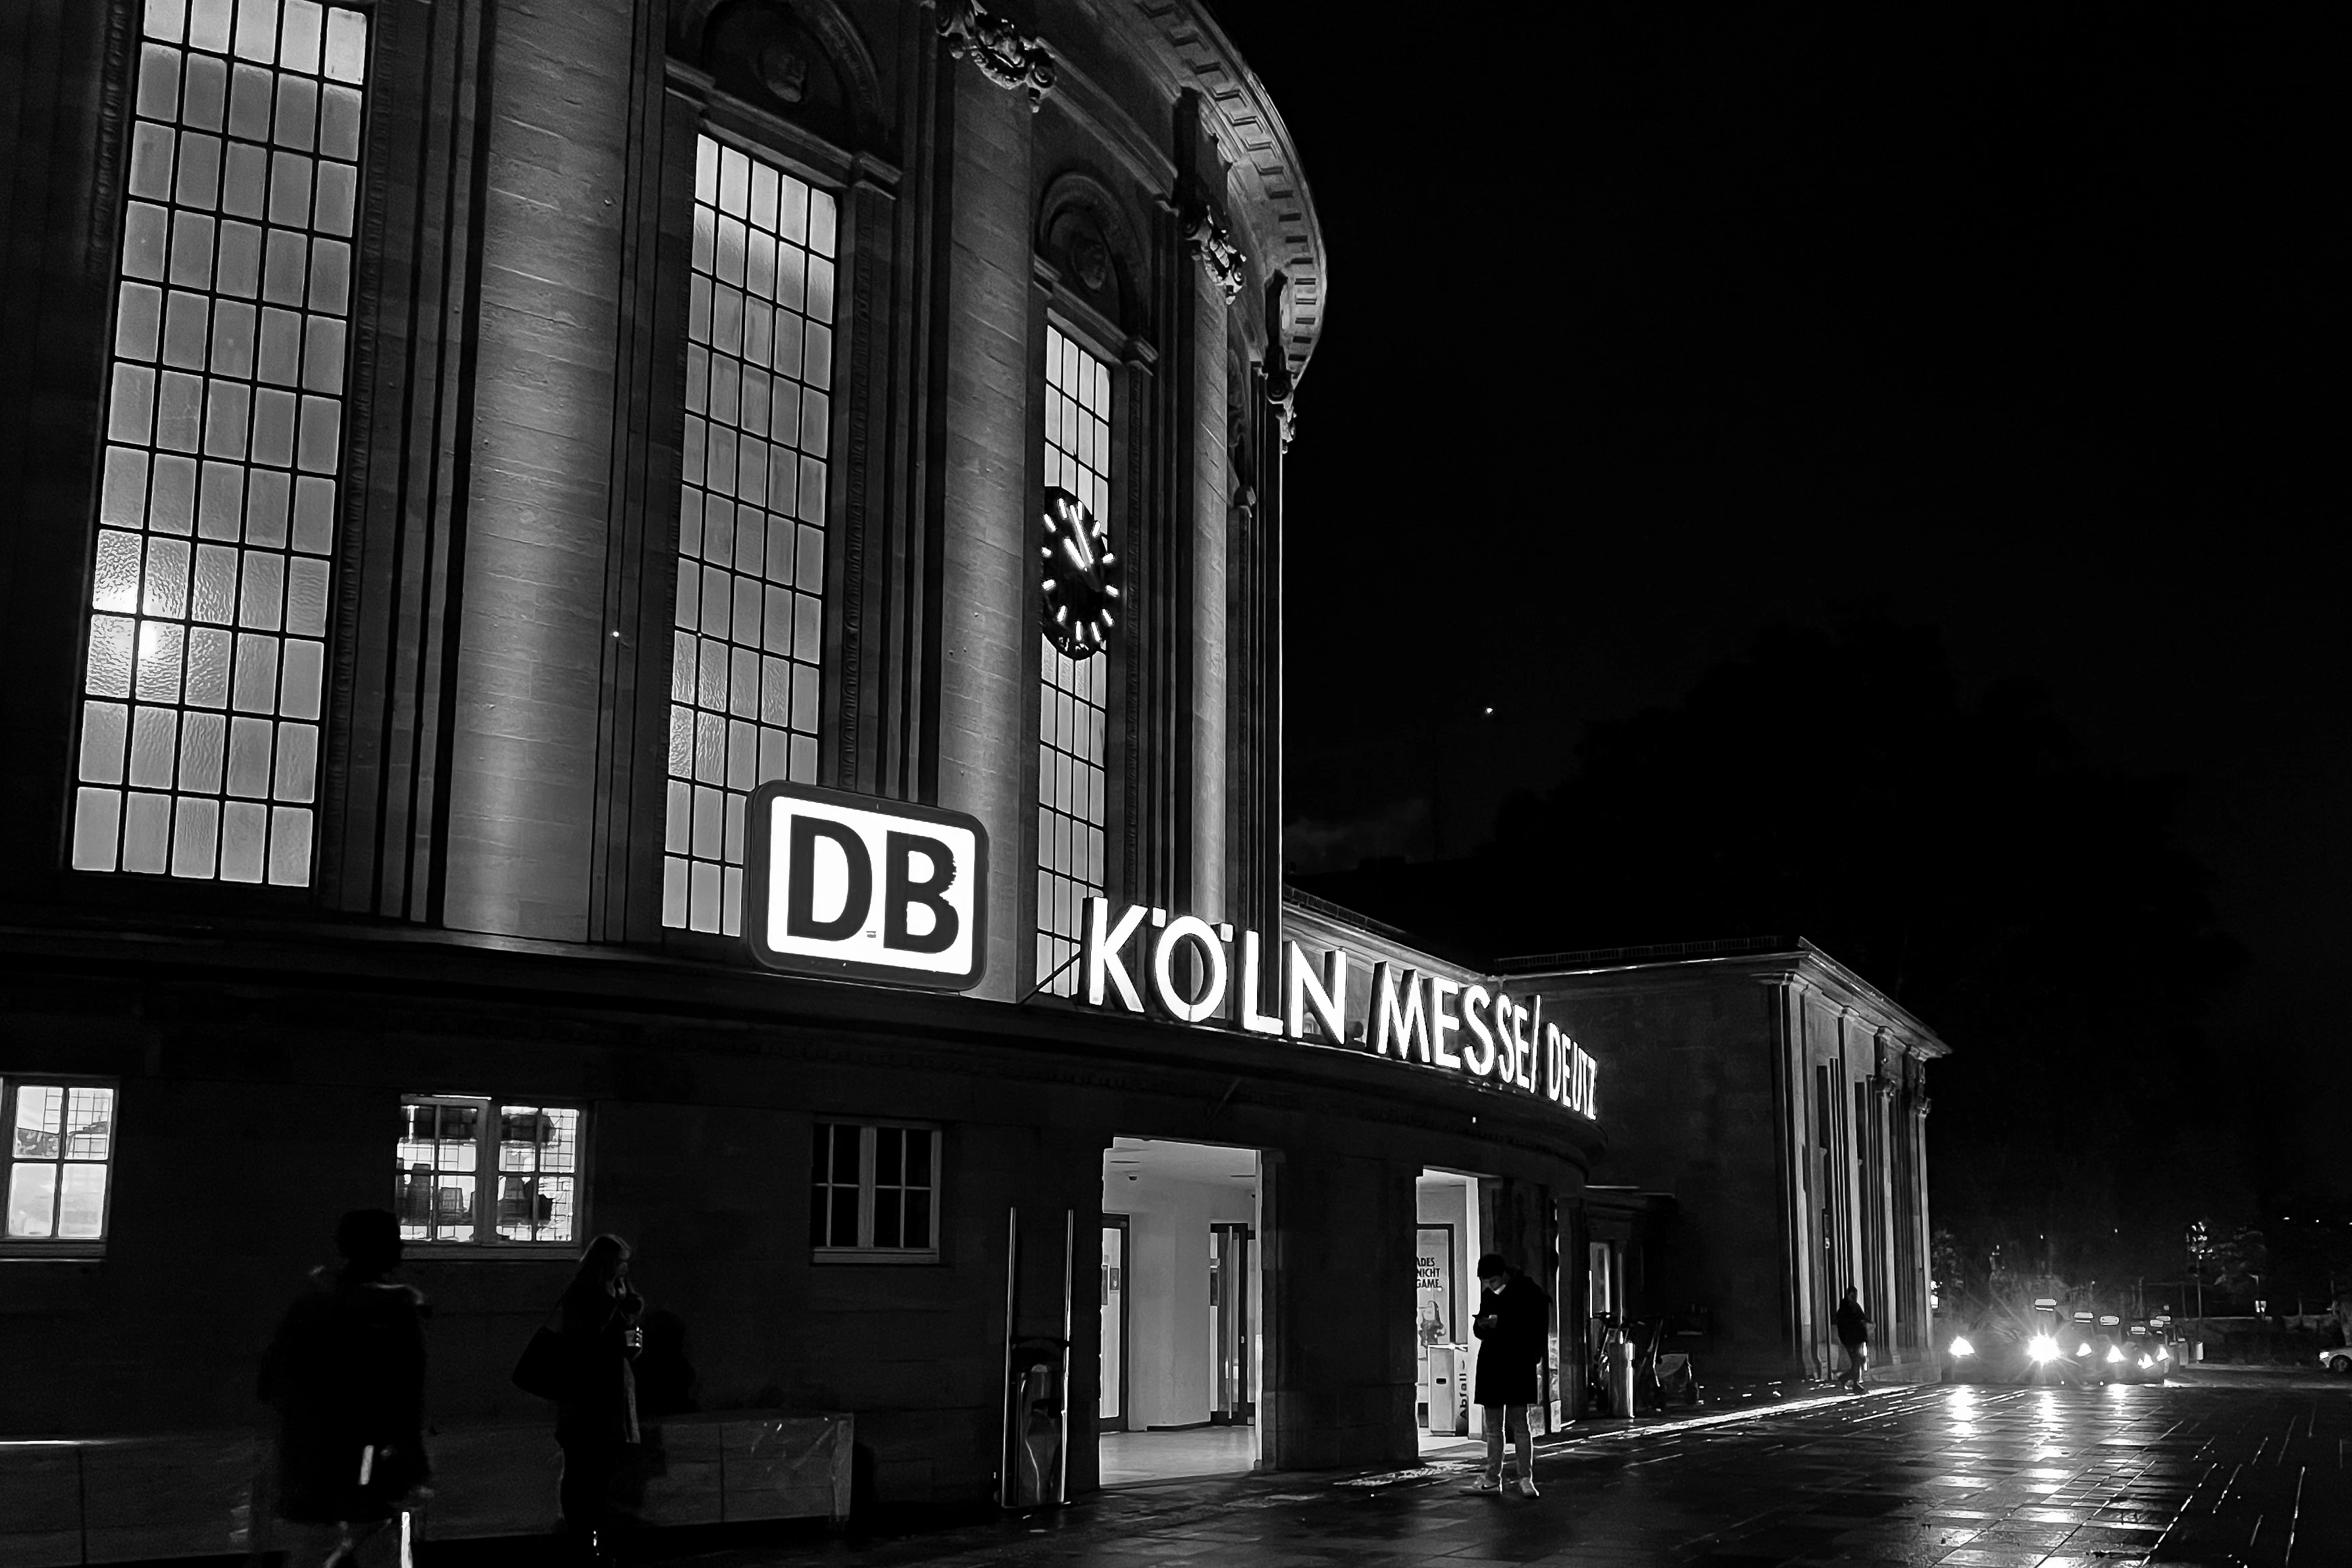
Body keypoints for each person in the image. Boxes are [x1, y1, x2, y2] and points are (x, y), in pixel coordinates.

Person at [258, 1208, 430, 1568]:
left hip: (316, 1449)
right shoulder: (396, 1310)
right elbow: (404, 1392)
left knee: (319, 1541)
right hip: (371, 1448)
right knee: (380, 1537)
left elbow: (272, 1376)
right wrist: (410, 1455)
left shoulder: (312, 1302)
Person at [551, 1234, 645, 1564]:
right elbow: (589, 1341)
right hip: (587, 1398)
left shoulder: (619, 1293)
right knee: (582, 1472)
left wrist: (633, 1331)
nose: (626, 1267)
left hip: (607, 1398)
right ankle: (583, 1541)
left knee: (597, 1473)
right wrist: (623, 1315)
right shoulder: (585, 1295)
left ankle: (592, 1540)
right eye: (621, 1261)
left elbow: (630, 1346)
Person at [1464, 1253, 1549, 1499]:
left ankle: (1525, 1477)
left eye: (1492, 1280)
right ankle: (1493, 1476)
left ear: (1503, 1275)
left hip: (1515, 1364)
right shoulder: (1489, 1296)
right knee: (1494, 1427)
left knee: (1520, 1424)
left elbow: (1529, 1327)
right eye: (1487, 1282)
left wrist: (1499, 1324)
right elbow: (1479, 1328)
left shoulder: (1525, 1292)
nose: (1490, 1285)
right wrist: (1481, 1325)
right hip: (1492, 1363)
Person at [1834, 1285, 1870, 1391]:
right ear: (1849, 1295)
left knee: (1858, 1361)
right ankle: (1852, 1382)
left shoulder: (1855, 1306)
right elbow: (1844, 1326)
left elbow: (1862, 1319)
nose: (1854, 1297)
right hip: (1851, 1341)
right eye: (1853, 1295)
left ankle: (1847, 1380)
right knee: (1857, 1361)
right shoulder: (1845, 1309)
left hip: (1858, 1340)